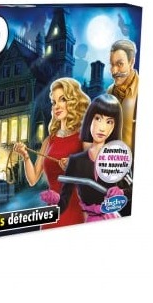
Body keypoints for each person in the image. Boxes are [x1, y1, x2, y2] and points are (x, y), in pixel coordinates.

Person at [13, 78, 90, 228]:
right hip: (52, 214)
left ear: (73, 102)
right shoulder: (49, 141)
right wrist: (25, 156)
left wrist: (75, 165)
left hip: (76, 212)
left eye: (62, 99)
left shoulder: (84, 137)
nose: (57, 106)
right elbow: (33, 179)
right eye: (54, 102)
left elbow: (93, 172)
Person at [42, 94, 129, 222]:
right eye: (98, 118)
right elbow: (64, 202)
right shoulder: (76, 161)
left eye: (109, 121)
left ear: (114, 126)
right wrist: (56, 200)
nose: (102, 128)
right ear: (90, 120)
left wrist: (122, 192)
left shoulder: (120, 157)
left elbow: (133, 190)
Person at [106, 39, 139, 152]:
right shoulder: (110, 91)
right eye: (112, 65)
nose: (114, 71)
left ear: (131, 62)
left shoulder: (139, 89)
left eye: (120, 64)